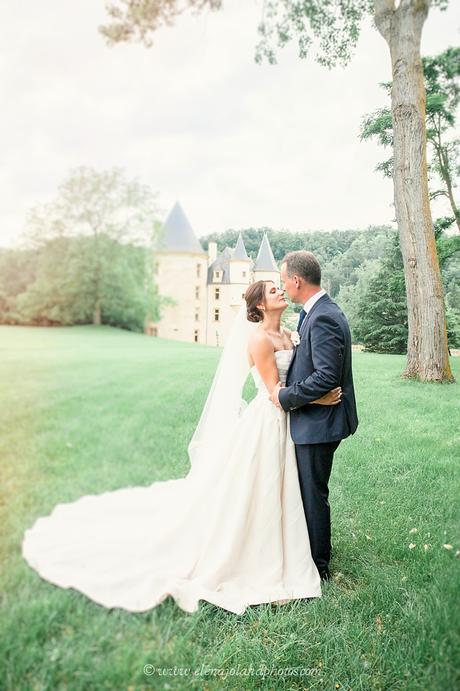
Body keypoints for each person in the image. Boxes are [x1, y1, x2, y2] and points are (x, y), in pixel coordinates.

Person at [21, 279, 340, 615]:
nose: (279, 291)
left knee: (281, 485)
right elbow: (275, 393)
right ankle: (256, 554)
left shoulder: (291, 333)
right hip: (268, 419)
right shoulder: (259, 339)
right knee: (258, 486)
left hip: (288, 420)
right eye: (272, 290)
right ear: (259, 305)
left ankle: (289, 544)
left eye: (280, 287)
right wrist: (318, 398)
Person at [271, 251, 358, 581]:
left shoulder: (322, 316)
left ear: (296, 281)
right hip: (318, 418)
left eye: (284, 282)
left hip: (320, 424)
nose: (283, 288)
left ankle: (318, 566)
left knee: (313, 493)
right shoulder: (317, 311)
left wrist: (285, 397)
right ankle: (309, 553)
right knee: (310, 489)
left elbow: (325, 376)